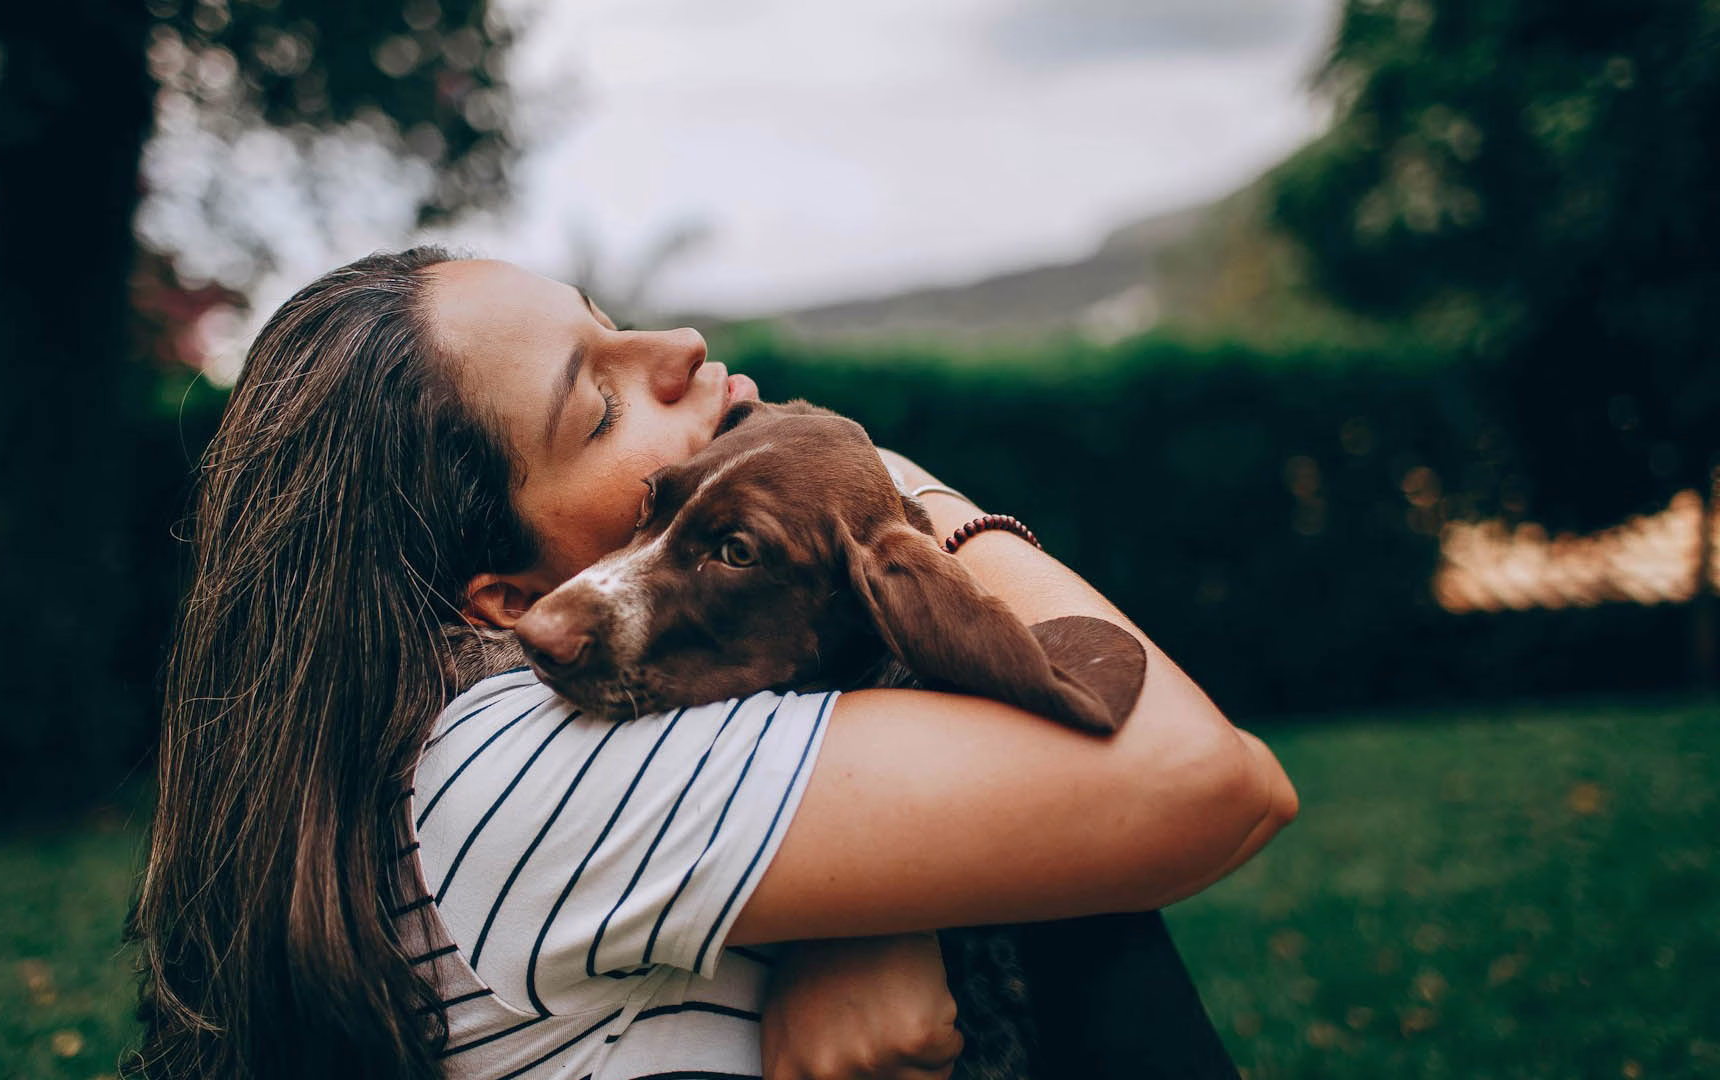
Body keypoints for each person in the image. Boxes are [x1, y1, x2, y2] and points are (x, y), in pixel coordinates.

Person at [126, 247, 1298, 1080]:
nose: (679, 346)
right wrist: (894, 492)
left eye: (608, 318)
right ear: (505, 601)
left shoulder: (617, 714)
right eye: (598, 403)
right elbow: (1209, 781)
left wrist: (890, 916)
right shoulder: (501, 765)